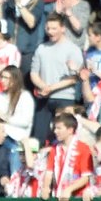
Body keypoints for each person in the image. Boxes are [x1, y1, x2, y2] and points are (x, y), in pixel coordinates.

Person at [30, 15, 83, 143]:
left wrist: (51, 88)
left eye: (54, 28)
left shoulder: (73, 49)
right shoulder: (41, 48)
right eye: (48, 28)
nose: (50, 32)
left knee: (64, 136)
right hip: (44, 98)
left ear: (63, 29)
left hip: (65, 98)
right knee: (39, 136)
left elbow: (74, 78)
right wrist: (43, 86)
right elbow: (34, 73)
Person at [42, 113, 93, 201]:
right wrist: (45, 187)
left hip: (77, 199)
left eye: (59, 128)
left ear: (70, 130)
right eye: (55, 128)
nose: (55, 131)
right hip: (58, 198)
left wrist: (69, 189)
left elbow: (85, 177)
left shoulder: (83, 148)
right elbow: (49, 172)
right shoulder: (54, 149)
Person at [0, 65, 35, 145]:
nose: (2, 81)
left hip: (15, 137)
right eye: (2, 77)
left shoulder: (25, 96)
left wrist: (5, 118)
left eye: (6, 78)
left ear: (15, 80)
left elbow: (25, 121)